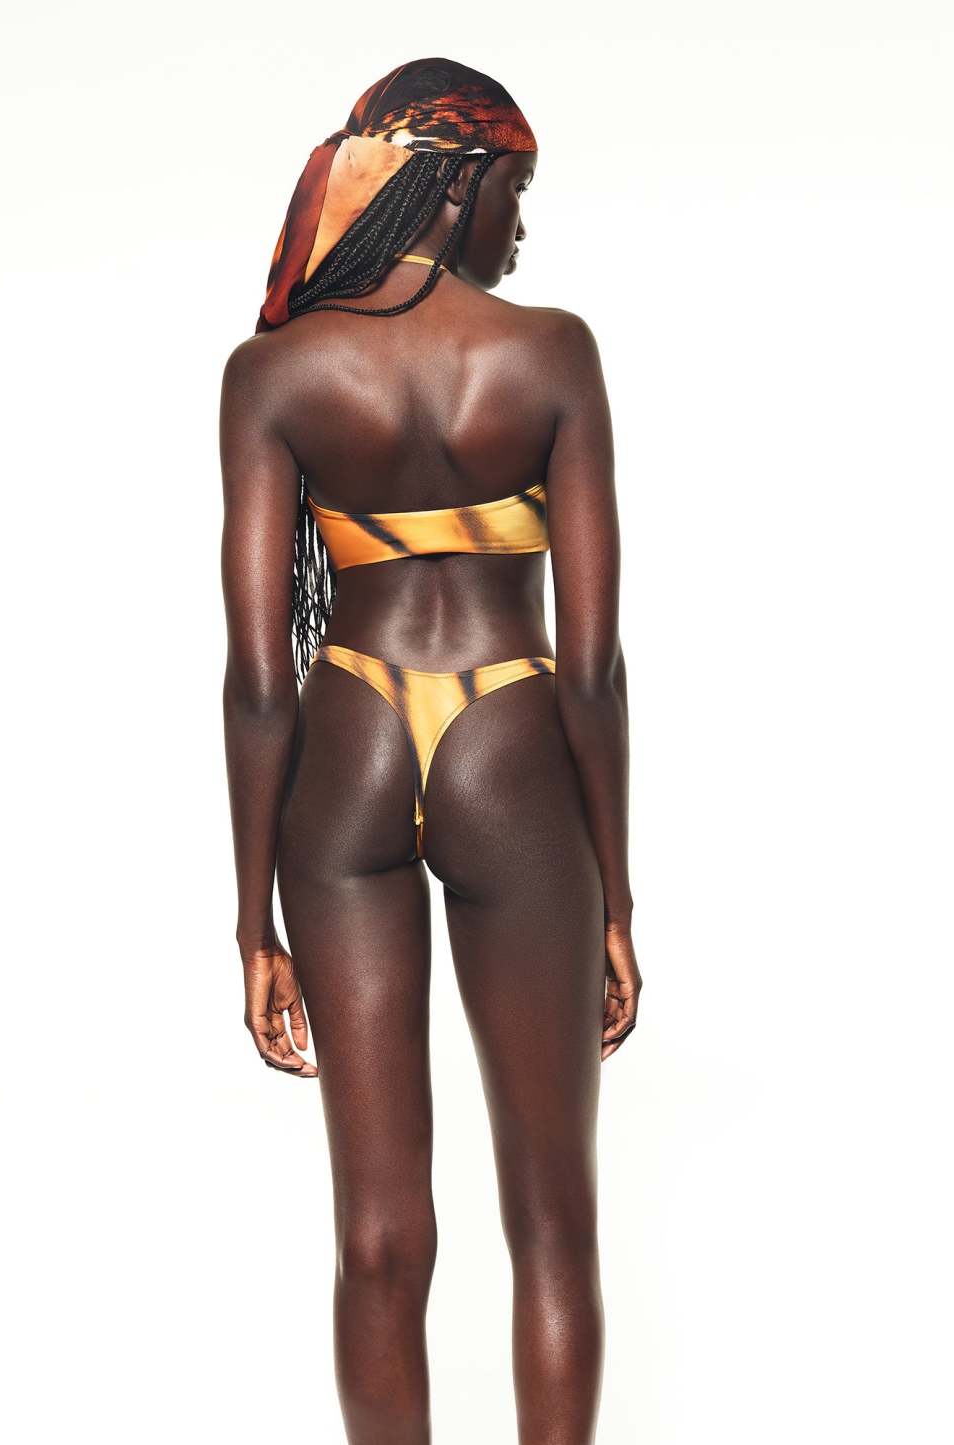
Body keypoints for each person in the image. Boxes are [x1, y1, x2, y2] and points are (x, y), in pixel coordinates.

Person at [219, 56, 641, 1445]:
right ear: (455, 184)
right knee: (554, 1220)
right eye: (516, 190)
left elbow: (259, 679)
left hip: (346, 741)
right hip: (507, 741)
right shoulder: (550, 354)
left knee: (377, 1235)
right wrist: (616, 896)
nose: (521, 225)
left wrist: (253, 922)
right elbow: (592, 666)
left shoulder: (275, 372)